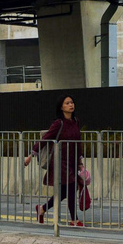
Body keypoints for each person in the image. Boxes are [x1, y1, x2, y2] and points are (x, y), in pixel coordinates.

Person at [29, 96, 84, 226]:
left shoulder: (76, 121)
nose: (71, 105)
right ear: (61, 107)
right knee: (71, 187)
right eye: (67, 103)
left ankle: (42, 209)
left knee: (65, 191)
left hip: (72, 160)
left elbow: (78, 141)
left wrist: (80, 160)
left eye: (72, 102)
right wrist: (31, 154)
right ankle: (74, 219)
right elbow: (46, 138)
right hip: (60, 161)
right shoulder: (59, 123)